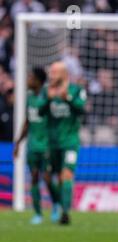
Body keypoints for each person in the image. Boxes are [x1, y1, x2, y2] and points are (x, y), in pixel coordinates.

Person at [38, 61, 87, 225]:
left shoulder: (76, 90)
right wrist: (48, 100)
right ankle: (58, 203)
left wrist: (69, 99)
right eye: (50, 72)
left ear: (64, 74)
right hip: (51, 143)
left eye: (54, 72)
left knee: (66, 175)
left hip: (70, 142)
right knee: (48, 177)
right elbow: (38, 111)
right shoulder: (46, 91)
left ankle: (65, 213)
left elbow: (82, 110)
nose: (51, 75)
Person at [14, 67, 61, 224]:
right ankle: (38, 213)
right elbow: (27, 122)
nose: (28, 80)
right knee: (34, 177)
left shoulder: (48, 96)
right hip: (33, 146)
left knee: (47, 178)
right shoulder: (29, 97)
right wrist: (18, 143)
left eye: (30, 77)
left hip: (47, 145)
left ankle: (55, 204)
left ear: (38, 81)